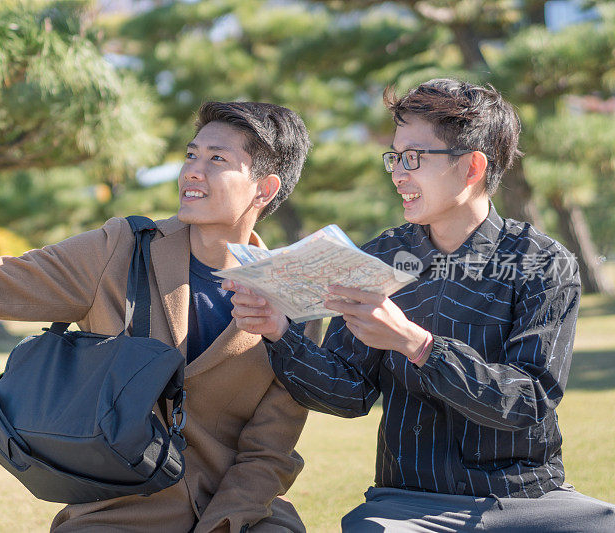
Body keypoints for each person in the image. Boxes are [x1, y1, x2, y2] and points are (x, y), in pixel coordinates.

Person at [0, 97, 321, 533]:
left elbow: (268, 452)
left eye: (218, 160)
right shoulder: (122, 247)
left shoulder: (292, 297)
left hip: (238, 512)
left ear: (264, 187)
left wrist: (221, 524)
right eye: (192, 154)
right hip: (119, 511)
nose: (193, 170)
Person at [228, 79, 615, 531]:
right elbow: (349, 394)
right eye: (394, 156)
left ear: (472, 167)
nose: (397, 173)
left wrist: (418, 345)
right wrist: (279, 331)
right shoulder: (375, 260)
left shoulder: (543, 264)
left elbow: (528, 400)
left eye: (413, 157)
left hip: (529, 498)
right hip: (408, 503)